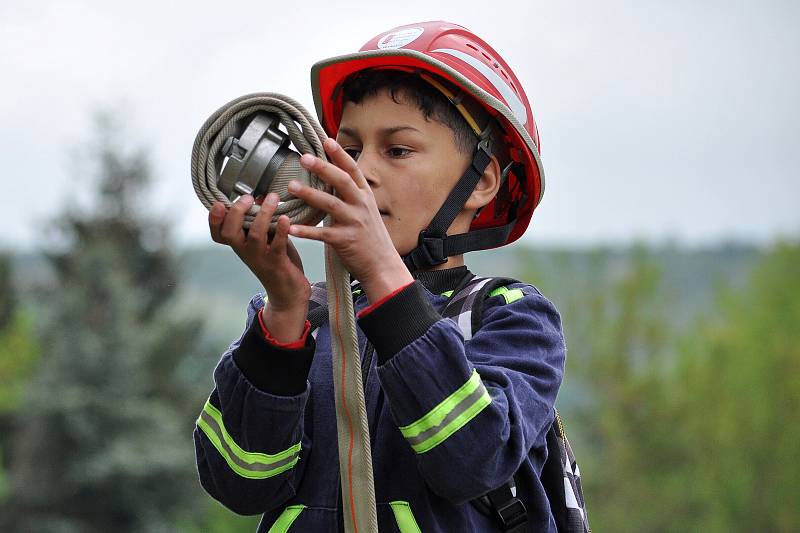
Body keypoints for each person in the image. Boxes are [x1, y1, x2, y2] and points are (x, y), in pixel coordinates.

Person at [194, 20, 566, 532]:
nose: (360, 172)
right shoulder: (306, 321)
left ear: (479, 182)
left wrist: (385, 280)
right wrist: (284, 309)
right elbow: (239, 481)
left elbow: (472, 459)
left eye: (397, 150)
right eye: (347, 148)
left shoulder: (509, 317)